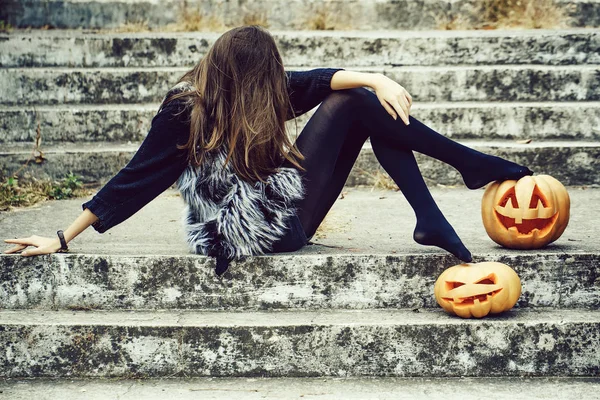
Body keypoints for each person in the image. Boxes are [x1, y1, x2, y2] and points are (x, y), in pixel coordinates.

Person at [3, 25, 532, 272]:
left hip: (281, 223)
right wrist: (61, 237)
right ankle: (462, 173)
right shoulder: (182, 113)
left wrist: (378, 78)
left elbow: (320, 79)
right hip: (252, 233)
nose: (280, 85)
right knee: (354, 104)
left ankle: (438, 207)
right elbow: (136, 178)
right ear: (256, 78)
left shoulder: (257, 94)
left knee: (356, 99)